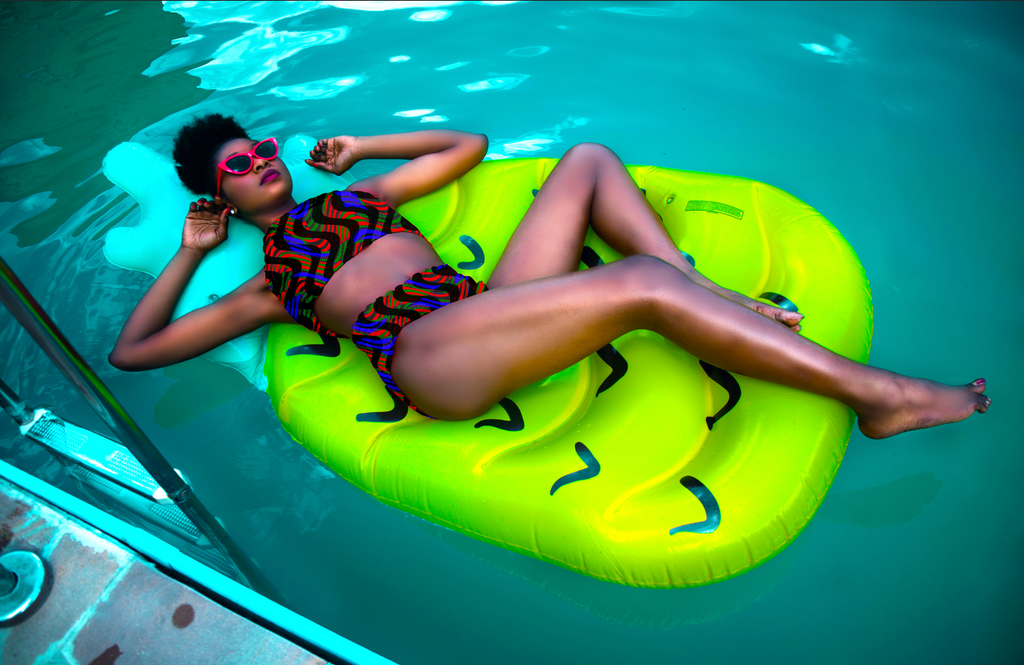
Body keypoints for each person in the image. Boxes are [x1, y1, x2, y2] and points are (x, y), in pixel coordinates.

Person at [108, 114, 990, 438]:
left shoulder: (363, 193)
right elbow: (133, 352)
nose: (261, 164)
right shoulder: (265, 285)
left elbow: (467, 148)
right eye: (238, 167)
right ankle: (882, 397)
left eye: (261, 149)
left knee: (588, 160)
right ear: (215, 193)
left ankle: (706, 295)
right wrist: (192, 250)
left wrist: (364, 146)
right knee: (637, 285)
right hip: (427, 357)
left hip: (482, 310)